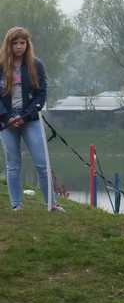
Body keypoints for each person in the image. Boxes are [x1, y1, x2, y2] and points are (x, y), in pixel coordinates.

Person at [0, 27, 64, 213]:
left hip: (31, 120)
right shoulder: (1, 65)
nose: (19, 47)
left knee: (42, 163)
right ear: (9, 44)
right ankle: (16, 205)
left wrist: (26, 115)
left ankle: (51, 204)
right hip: (6, 121)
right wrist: (7, 117)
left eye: (22, 43)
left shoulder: (37, 65)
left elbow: (41, 95)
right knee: (13, 165)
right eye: (15, 43)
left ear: (27, 44)